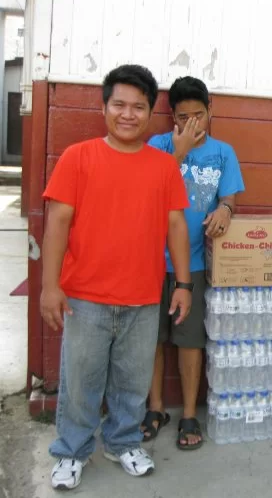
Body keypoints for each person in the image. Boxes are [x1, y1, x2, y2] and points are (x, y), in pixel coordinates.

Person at [41, 65, 192, 490]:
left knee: (132, 382)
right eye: (119, 104)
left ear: (149, 112)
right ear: (104, 106)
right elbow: (57, 223)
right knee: (80, 381)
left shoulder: (163, 166)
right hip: (84, 297)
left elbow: (176, 226)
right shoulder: (78, 157)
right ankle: (71, 451)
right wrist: (50, 287)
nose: (128, 114)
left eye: (138, 107)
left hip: (143, 297)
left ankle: (123, 442)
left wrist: (183, 284)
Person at [142, 76, 245, 450]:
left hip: (196, 263)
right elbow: (149, 186)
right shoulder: (158, 145)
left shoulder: (223, 152)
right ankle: (155, 408)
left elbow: (231, 197)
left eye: (198, 116)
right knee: (151, 339)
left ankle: (188, 413)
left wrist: (225, 208)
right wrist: (180, 151)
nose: (192, 125)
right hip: (152, 261)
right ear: (172, 116)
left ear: (210, 111)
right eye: (183, 117)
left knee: (189, 341)